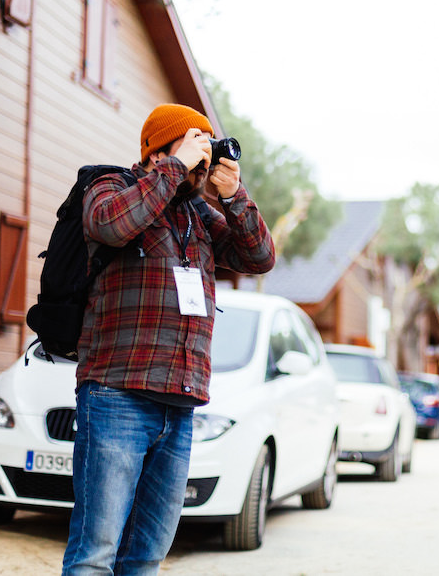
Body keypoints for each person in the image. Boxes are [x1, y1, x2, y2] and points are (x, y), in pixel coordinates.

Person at [62, 104, 276, 575]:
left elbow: (258, 258)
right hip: (116, 394)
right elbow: (110, 225)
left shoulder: (195, 213)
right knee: (95, 554)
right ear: (161, 148)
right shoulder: (110, 185)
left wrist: (234, 194)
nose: (202, 162)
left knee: (147, 556)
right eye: (194, 146)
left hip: (179, 404)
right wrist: (175, 166)